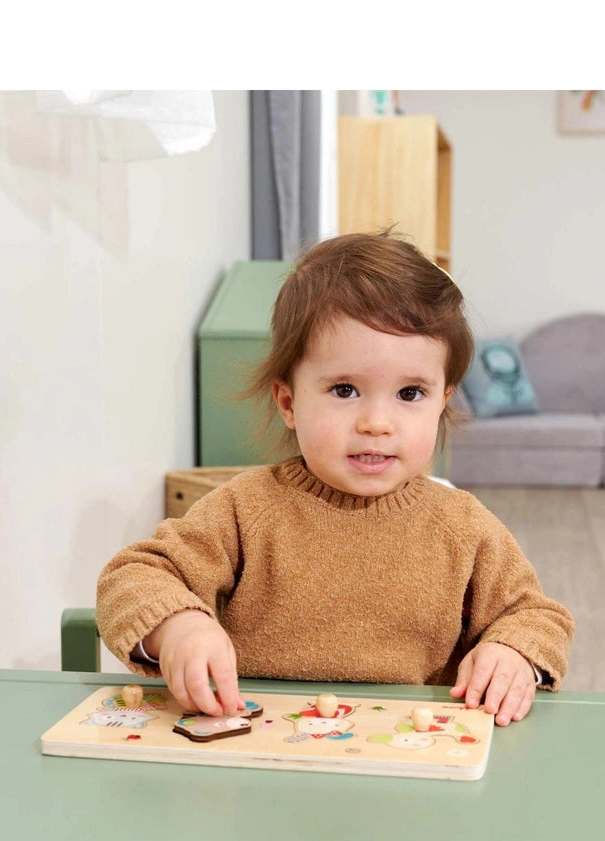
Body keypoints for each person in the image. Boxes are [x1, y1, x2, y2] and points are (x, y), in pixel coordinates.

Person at [96, 231, 574, 727]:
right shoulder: (244, 509)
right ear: (288, 403)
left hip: (412, 765)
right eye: (345, 389)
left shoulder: (463, 526)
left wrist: (513, 652)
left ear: (443, 402)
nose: (377, 423)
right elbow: (131, 577)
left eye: (410, 394)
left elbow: (536, 616)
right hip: (259, 758)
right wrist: (179, 628)